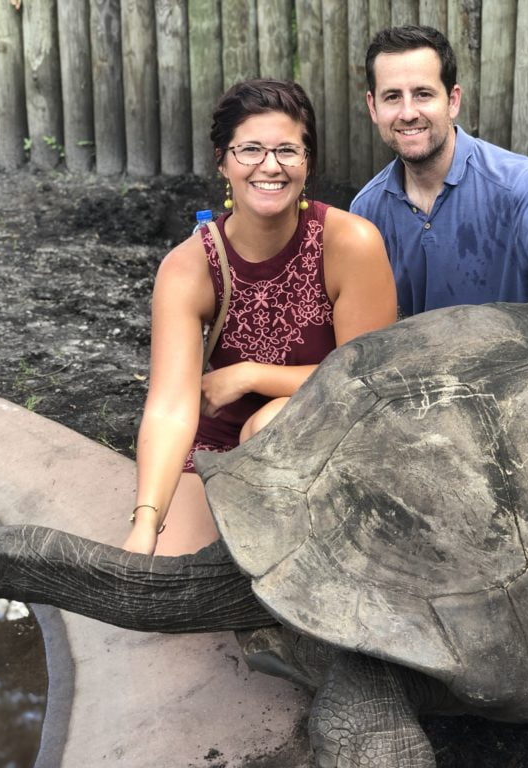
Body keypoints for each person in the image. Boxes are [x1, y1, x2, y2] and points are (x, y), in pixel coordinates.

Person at [123, 79, 397, 556]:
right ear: (222, 161)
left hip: (326, 425)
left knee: (267, 429)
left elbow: (365, 380)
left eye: (287, 150)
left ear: (307, 163)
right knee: (171, 569)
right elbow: (169, 407)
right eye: (249, 149)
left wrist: (250, 376)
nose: (270, 166)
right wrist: (146, 521)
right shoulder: (187, 267)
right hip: (222, 436)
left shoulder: (351, 243)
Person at [350, 25, 528, 317]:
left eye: (423, 94)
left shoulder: (516, 183)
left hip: (519, 361)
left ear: (453, 100)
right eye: (392, 97)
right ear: (373, 107)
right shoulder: (366, 210)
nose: (408, 112)